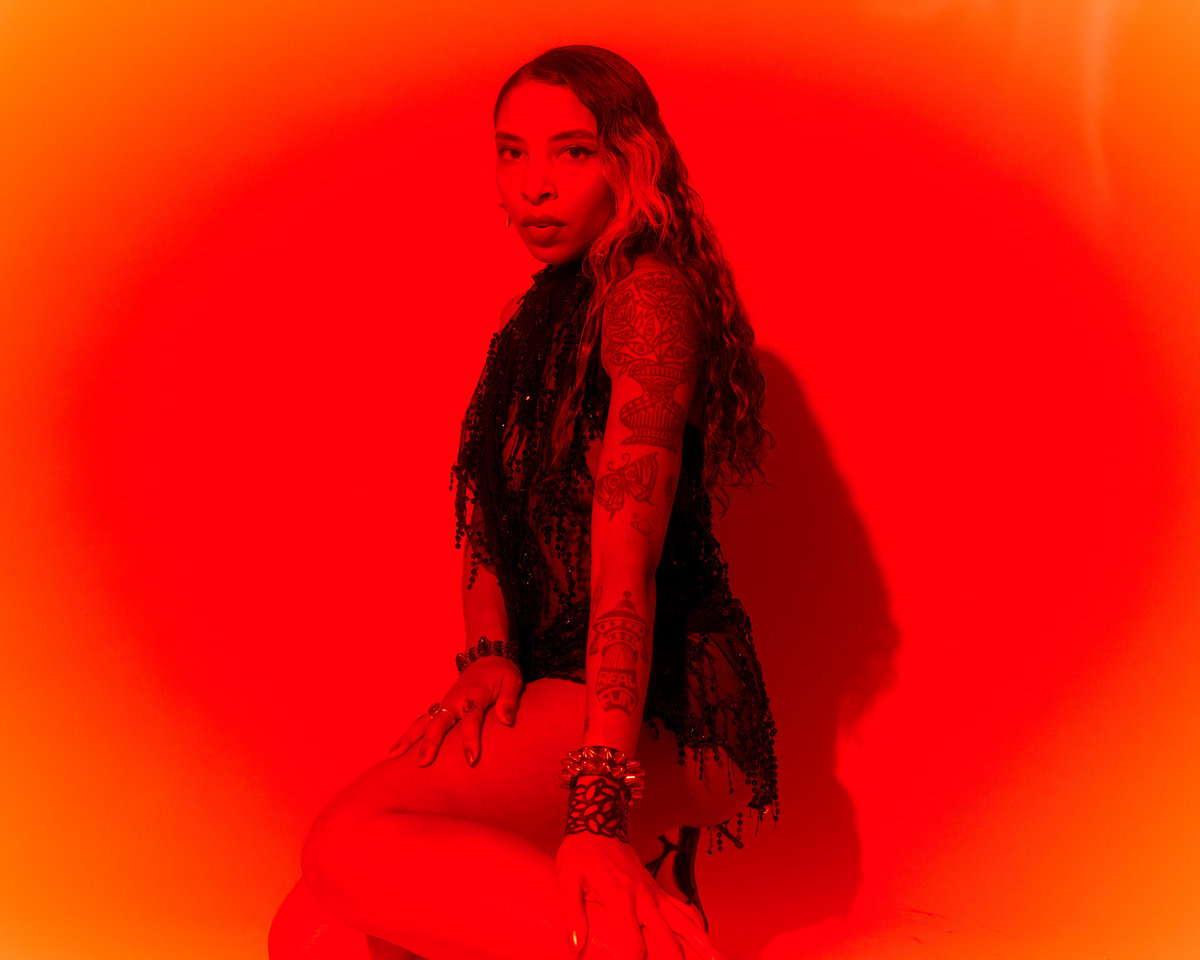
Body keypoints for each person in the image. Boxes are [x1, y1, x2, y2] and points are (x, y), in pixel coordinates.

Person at [269, 44, 780, 960]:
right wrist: (490, 654)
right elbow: (489, 510)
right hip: (552, 681)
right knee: (315, 933)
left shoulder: (648, 301)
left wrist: (596, 808)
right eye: (512, 153)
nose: (534, 184)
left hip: (660, 704)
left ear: (631, 159)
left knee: (344, 846)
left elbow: (626, 563)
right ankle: (648, 904)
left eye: (571, 152)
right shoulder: (532, 314)